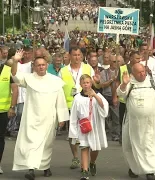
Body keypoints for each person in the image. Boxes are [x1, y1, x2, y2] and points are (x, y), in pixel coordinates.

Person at [11, 50, 69, 180]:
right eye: (38, 65)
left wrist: (62, 117)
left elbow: (60, 100)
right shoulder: (29, 78)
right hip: (32, 117)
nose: (41, 67)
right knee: (32, 143)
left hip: (49, 118)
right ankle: (31, 169)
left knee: (46, 144)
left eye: (43, 65)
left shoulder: (55, 81)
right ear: (34, 67)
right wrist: (15, 61)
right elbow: (14, 76)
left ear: (46, 65)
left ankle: (45, 166)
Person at [116, 63, 155, 180]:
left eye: (143, 71)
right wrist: (124, 84)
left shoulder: (153, 84)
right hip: (132, 123)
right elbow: (120, 94)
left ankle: (150, 171)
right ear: (133, 73)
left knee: (148, 145)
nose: (142, 74)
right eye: (139, 72)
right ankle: (134, 168)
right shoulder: (130, 83)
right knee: (130, 146)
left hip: (149, 123)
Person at [60, 47, 96, 169]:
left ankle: (86, 160)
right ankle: (75, 157)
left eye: (78, 55)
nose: (76, 57)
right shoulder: (63, 70)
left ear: (82, 56)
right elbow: (59, 90)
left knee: (86, 131)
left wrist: (96, 81)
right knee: (72, 133)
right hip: (70, 105)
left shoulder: (88, 68)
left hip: (86, 105)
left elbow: (94, 84)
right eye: (74, 55)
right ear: (69, 56)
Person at [69, 74, 109, 180]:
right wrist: (73, 132)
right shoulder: (77, 98)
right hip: (83, 126)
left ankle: (92, 162)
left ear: (91, 83)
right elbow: (73, 115)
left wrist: (95, 95)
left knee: (94, 149)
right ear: (80, 84)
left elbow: (104, 107)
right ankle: (85, 171)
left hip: (95, 125)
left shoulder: (98, 95)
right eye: (84, 83)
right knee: (84, 147)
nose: (86, 85)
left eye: (88, 82)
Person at [0, 62, 18, 174]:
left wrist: (12, 107)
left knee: (0, 138)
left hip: (3, 111)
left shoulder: (6, 70)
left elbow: (15, 89)